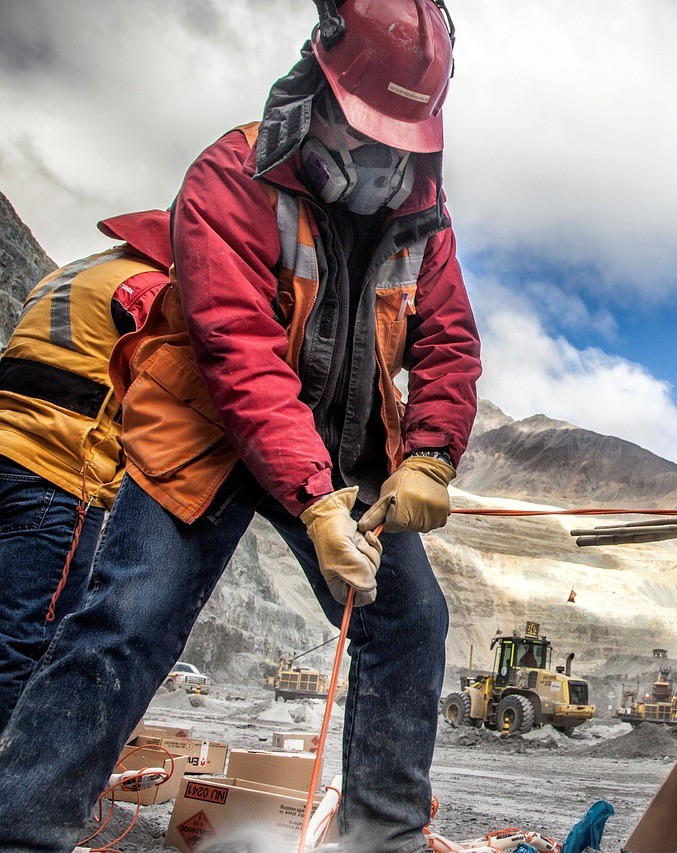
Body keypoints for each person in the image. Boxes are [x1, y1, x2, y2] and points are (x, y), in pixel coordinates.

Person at [0, 1, 481, 850]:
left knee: (412, 620)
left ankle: (385, 837)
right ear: (318, 90)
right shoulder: (231, 176)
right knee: (129, 616)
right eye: (368, 129)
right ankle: (22, 829)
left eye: (403, 138)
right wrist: (315, 500)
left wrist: (432, 455)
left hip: (345, 442)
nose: (382, 159)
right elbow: (239, 352)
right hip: (210, 428)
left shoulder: (424, 213)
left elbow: (447, 339)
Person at [0, 210, 169, 730]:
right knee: (26, 642)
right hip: (58, 472)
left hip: (8, 448)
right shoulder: (147, 289)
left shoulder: (74, 273)